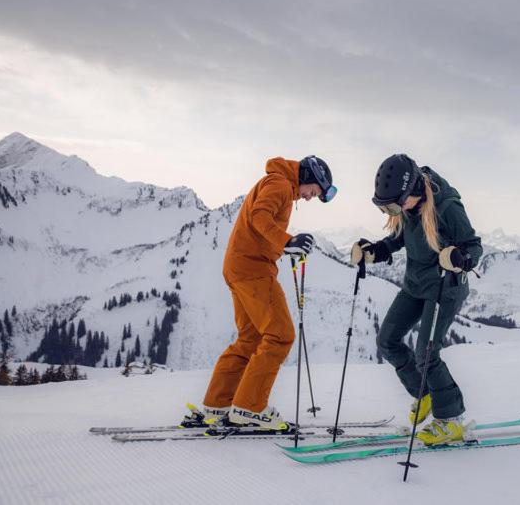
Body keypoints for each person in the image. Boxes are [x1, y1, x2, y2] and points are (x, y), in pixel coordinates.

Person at [187, 155, 336, 431]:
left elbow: (261, 223)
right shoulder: (279, 184)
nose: (308, 198)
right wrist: (287, 240)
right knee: (281, 335)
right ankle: (250, 407)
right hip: (253, 270)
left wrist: (283, 246)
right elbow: (259, 217)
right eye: (312, 192)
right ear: (305, 176)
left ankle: (218, 403)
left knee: (250, 338)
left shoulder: (277, 183)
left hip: (238, 267)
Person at [351, 154, 482, 445]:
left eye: (395, 205)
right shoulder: (408, 203)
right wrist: (374, 252)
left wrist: (460, 257)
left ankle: (451, 419)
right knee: (387, 341)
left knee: (426, 353)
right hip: (416, 283)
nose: (393, 211)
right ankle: (423, 394)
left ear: (414, 192)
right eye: (386, 207)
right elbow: (399, 238)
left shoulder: (447, 206)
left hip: (444, 287)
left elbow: (474, 246)